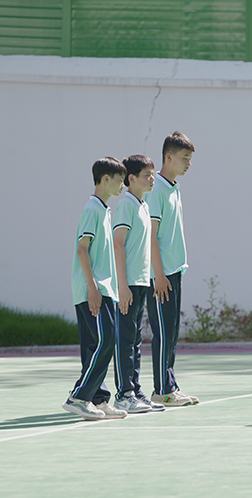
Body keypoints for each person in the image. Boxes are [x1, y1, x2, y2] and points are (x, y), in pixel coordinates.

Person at [63, 157, 129, 421]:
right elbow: (82, 250)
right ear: (105, 179)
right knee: (106, 340)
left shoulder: (104, 210)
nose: (123, 185)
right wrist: (92, 288)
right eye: (120, 180)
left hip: (104, 289)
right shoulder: (92, 209)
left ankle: (98, 399)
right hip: (94, 290)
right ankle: (79, 397)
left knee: (97, 344)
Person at [146, 132, 199, 407]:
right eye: (185, 158)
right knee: (163, 333)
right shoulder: (156, 190)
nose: (189, 164)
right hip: (161, 275)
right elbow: (151, 236)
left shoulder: (172, 188)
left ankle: (170, 386)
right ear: (169, 157)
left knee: (172, 332)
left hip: (174, 272)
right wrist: (158, 275)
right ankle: (161, 390)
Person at [112, 154, 165, 413]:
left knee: (135, 339)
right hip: (128, 283)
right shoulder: (126, 205)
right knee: (124, 339)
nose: (152, 179)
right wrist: (122, 286)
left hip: (141, 282)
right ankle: (124, 394)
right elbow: (118, 244)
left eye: (153, 174)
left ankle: (135, 390)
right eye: (147, 175)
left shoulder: (143, 206)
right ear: (131, 179)